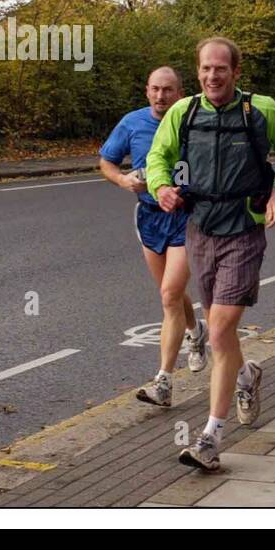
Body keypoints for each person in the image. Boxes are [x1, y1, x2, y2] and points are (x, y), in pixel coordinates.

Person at [146, 37, 275, 471]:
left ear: (236, 71)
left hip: (244, 228)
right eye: (205, 69)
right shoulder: (185, 112)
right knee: (222, 335)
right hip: (200, 229)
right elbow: (158, 155)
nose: (212, 76)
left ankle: (210, 438)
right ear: (197, 73)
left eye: (220, 69)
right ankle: (247, 375)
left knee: (218, 330)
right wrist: (161, 186)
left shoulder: (261, 110)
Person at [100, 66, 209, 408]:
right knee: (170, 296)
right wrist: (123, 181)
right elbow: (107, 162)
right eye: (155, 90)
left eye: (168, 90)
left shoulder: (194, 121)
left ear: (180, 92)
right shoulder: (132, 123)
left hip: (185, 217)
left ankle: (163, 381)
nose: (161, 96)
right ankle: (197, 331)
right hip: (148, 217)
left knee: (168, 296)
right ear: (147, 91)